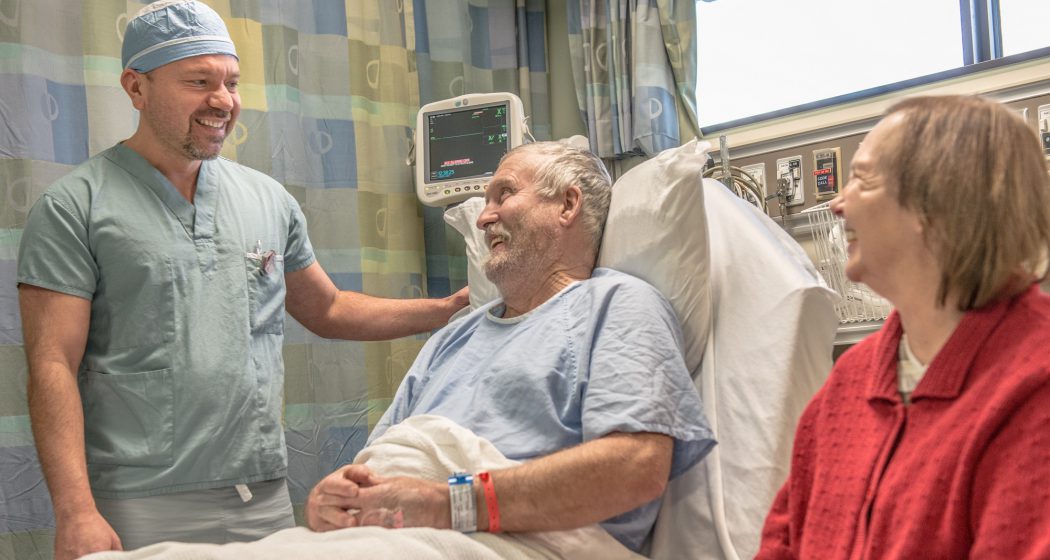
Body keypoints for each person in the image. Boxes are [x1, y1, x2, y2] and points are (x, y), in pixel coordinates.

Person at [16, 1, 467, 558]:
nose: (223, 101)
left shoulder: (266, 200)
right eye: (198, 82)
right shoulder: (75, 207)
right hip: (138, 501)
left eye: (231, 82)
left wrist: (447, 310)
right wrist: (76, 511)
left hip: (262, 495)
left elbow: (327, 309)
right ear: (136, 87)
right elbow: (52, 364)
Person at [304, 141, 716, 554]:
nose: (483, 218)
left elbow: (636, 466)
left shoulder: (617, 306)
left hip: (516, 542)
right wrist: (336, 499)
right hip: (391, 533)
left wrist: (448, 505)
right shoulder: (451, 339)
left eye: (504, 194)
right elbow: (381, 460)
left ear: (568, 205)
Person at [757, 94, 1050, 559]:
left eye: (861, 180)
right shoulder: (851, 382)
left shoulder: (1032, 387)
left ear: (938, 205)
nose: (837, 203)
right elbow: (784, 539)